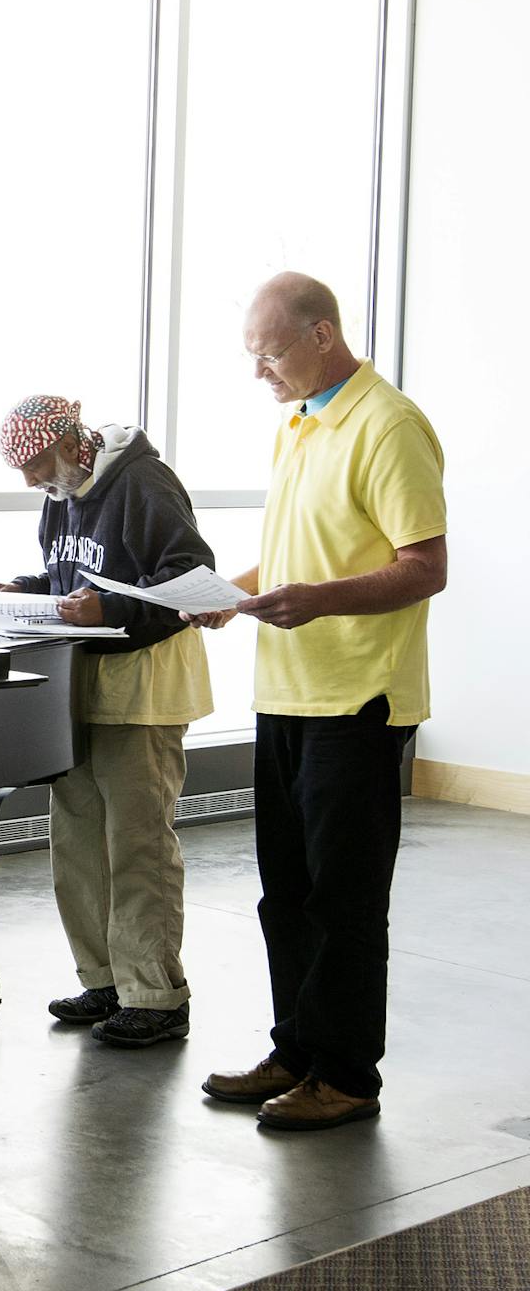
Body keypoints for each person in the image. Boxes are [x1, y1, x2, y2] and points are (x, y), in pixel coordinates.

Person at [192, 273, 446, 1131]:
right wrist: (233, 589)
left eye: (269, 354)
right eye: (252, 357)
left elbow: (425, 566)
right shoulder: (299, 423)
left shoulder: (389, 424)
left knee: (344, 898)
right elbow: (299, 552)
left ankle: (346, 1076)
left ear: (323, 336)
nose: (259, 373)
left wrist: (321, 600)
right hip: (287, 691)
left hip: (358, 699)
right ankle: (297, 1048)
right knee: (285, 890)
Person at [0, 395, 215, 1047]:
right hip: (79, 685)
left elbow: (191, 576)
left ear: (69, 441)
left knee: (138, 841)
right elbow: (70, 576)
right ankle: (105, 978)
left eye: (35, 464)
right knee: (78, 837)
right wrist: (28, 590)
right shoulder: (60, 490)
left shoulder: (143, 481)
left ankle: (155, 992)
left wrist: (107, 607)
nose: (30, 481)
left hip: (143, 686)